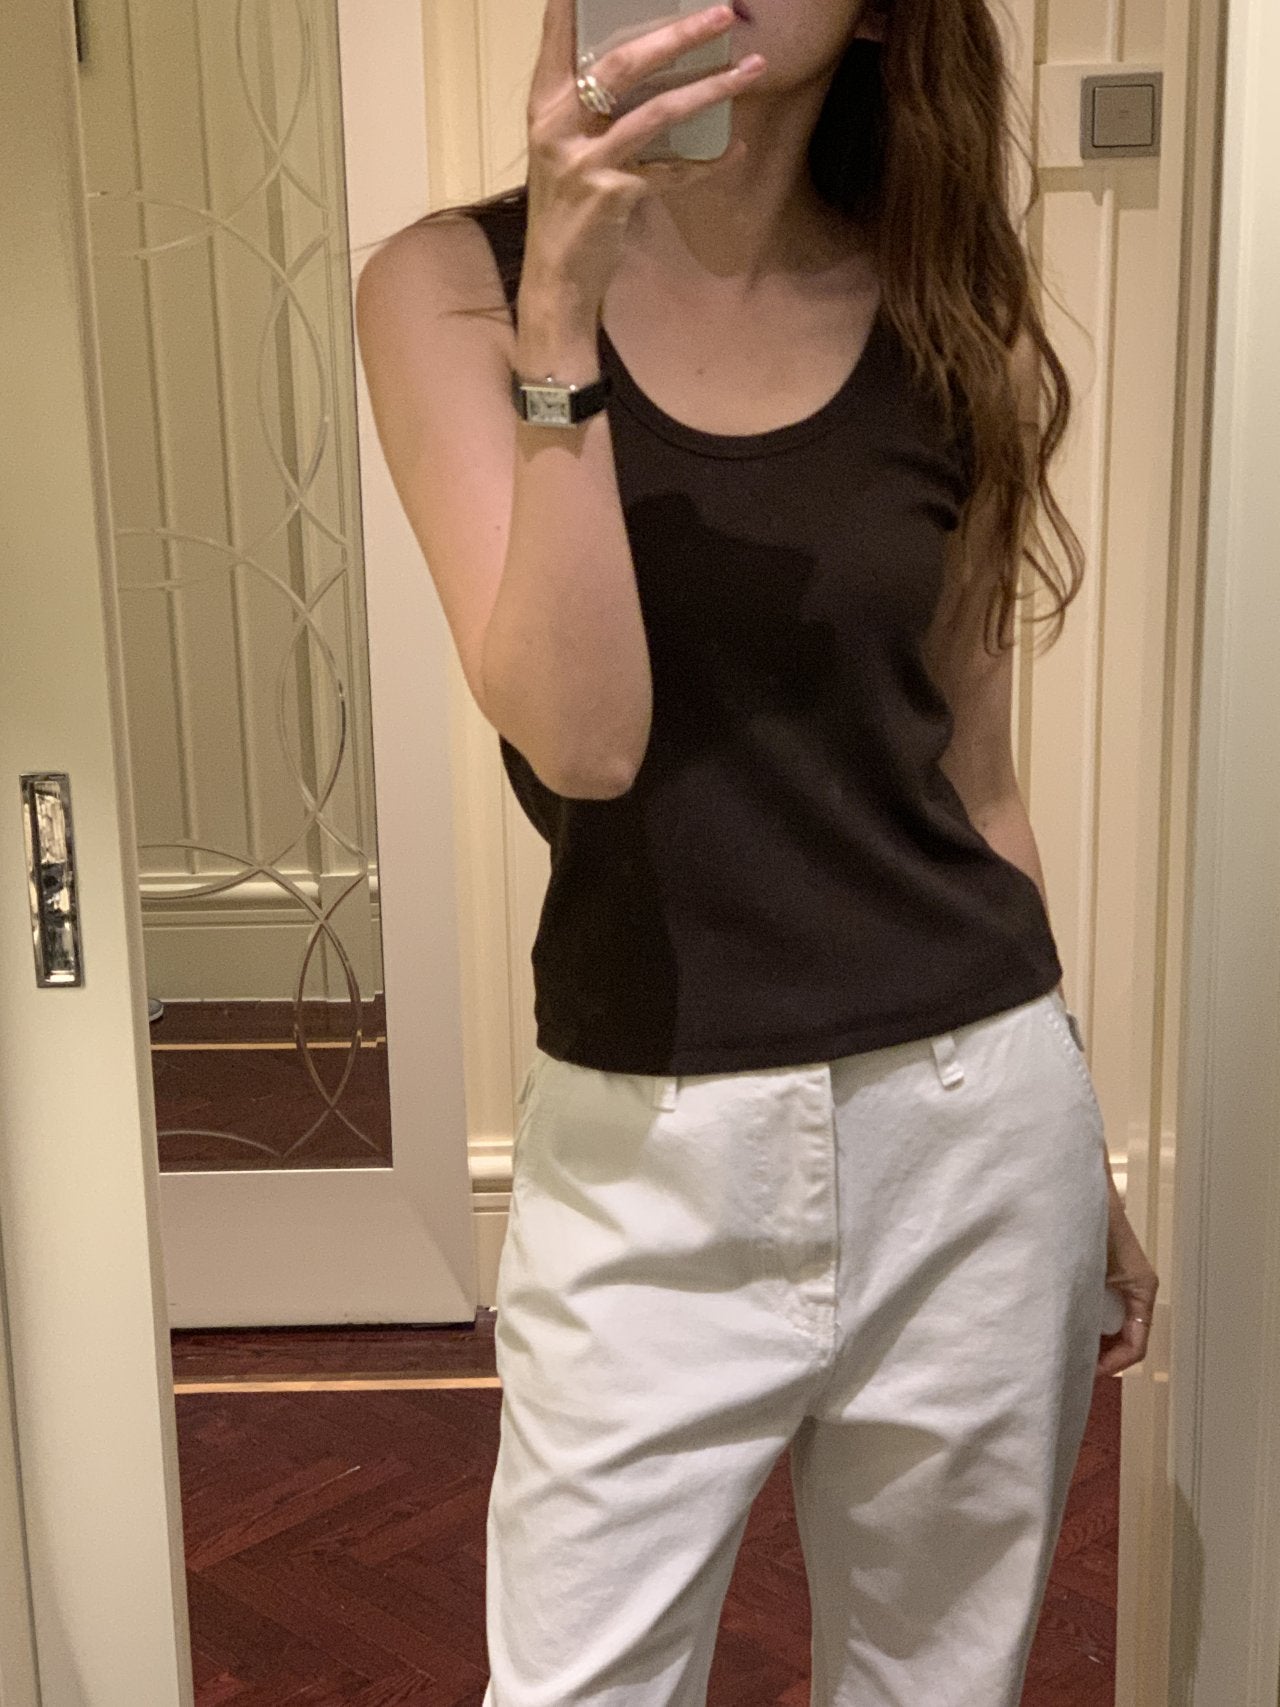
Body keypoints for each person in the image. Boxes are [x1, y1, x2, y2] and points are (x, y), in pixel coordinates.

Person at [356, 0, 1160, 1699]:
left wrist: (1076, 1140)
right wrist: (562, 310)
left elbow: (979, 778)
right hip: (649, 1148)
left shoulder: (948, 314)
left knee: (937, 1684)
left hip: (972, 1128)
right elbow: (584, 738)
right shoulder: (450, 290)